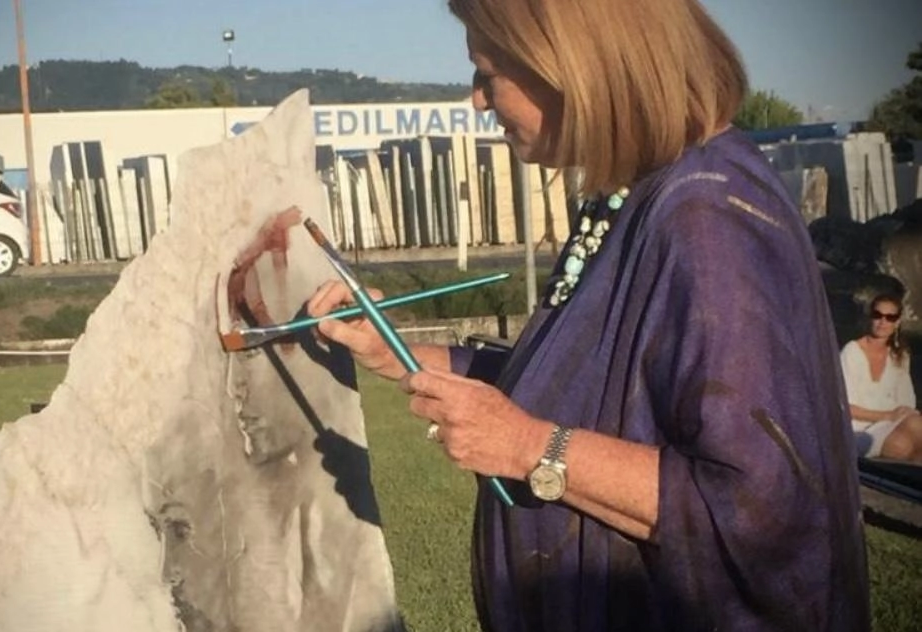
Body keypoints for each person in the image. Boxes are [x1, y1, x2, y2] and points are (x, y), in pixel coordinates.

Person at [306, 0, 869, 630]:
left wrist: (528, 447)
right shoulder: (637, 193)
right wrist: (395, 352)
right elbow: (577, 381)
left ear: (570, 65)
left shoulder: (706, 220)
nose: (477, 102)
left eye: (488, 74)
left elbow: (763, 510)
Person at [841, 294, 922, 462]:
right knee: (902, 444)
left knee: (915, 428)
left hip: (895, 424)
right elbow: (843, 407)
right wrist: (886, 415)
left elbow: (906, 402)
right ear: (870, 317)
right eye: (877, 315)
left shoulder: (899, 355)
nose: (883, 322)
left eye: (890, 317)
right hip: (859, 430)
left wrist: (896, 416)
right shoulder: (852, 352)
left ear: (897, 322)